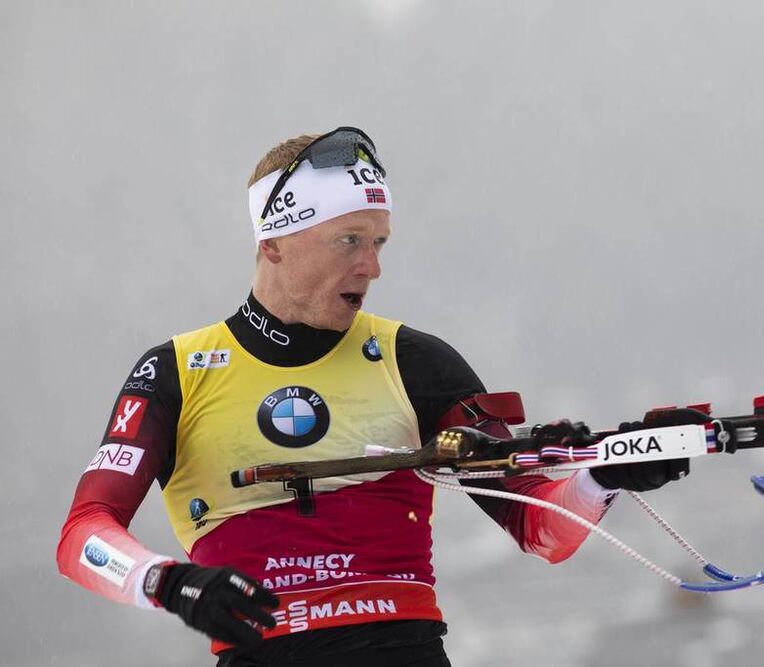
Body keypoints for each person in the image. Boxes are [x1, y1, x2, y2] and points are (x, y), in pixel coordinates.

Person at [57, 127, 689, 666]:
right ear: (272, 243)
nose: (372, 266)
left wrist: (605, 474)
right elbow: (83, 535)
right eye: (348, 240)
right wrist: (169, 584)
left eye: (379, 241)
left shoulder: (415, 360)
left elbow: (539, 526)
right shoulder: (175, 371)